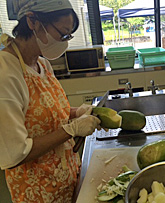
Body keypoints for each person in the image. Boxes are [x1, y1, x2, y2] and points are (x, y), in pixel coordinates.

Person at [0, 0, 101, 202]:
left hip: (66, 178)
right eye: (62, 34)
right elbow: (14, 153)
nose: (65, 42)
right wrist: (71, 130)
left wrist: (76, 113)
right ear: (33, 22)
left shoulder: (42, 63)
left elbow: (50, 112)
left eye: (68, 36)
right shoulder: (6, 74)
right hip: (38, 190)